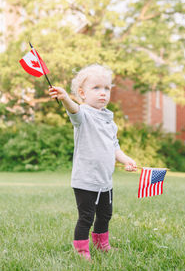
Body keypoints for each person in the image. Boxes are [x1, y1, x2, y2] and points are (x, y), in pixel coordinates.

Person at [49, 64, 137, 260]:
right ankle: (81, 250)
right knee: (86, 217)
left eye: (106, 88)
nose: (103, 93)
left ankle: (101, 243)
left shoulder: (109, 120)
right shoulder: (84, 115)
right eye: (96, 88)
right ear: (82, 93)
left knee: (105, 215)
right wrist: (65, 98)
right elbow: (74, 111)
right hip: (86, 180)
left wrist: (126, 160)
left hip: (105, 181)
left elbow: (114, 146)